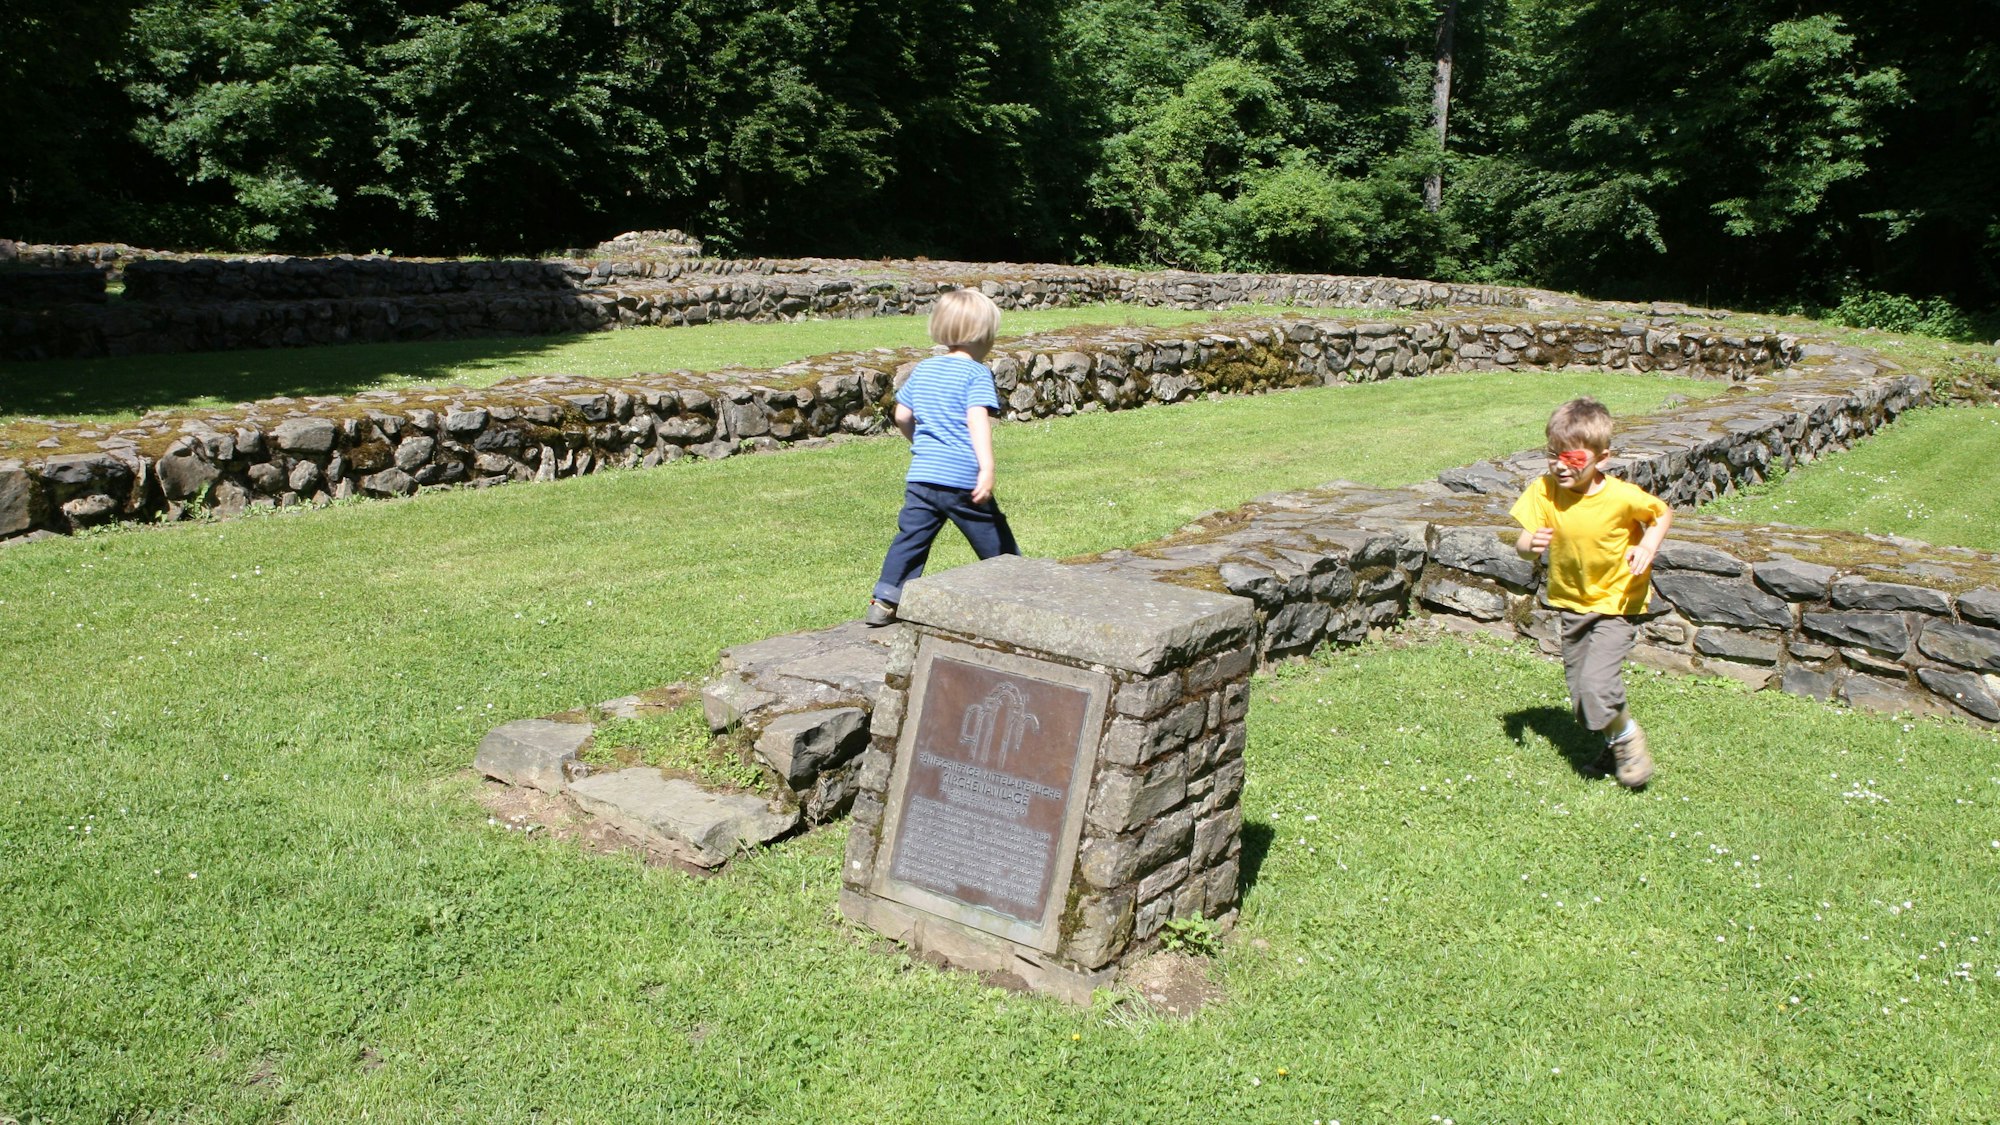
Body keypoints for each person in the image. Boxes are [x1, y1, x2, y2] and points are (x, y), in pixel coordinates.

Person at [1510, 396, 1672, 787]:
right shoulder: (1545, 490)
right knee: (1584, 701)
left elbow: (1661, 513)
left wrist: (1647, 546)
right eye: (1553, 454)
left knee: (1596, 686)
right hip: (1572, 602)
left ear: (1602, 458)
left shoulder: (1621, 496)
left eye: (1574, 458)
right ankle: (1613, 744)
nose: (1561, 465)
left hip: (1617, 602)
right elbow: (1521, 540)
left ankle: (1628, 739)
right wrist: (1529, 545)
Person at [865, 288, 1019, 626]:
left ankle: (884, 600)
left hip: (922, 476)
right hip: (961, 477)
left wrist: (919, 444)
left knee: (911, 539)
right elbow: (977, 419)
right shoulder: (976, 373)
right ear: (983, 335)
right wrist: (987, 467)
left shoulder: (923, 369)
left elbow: (902, 415)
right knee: (991, 531)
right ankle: (1018, 586)